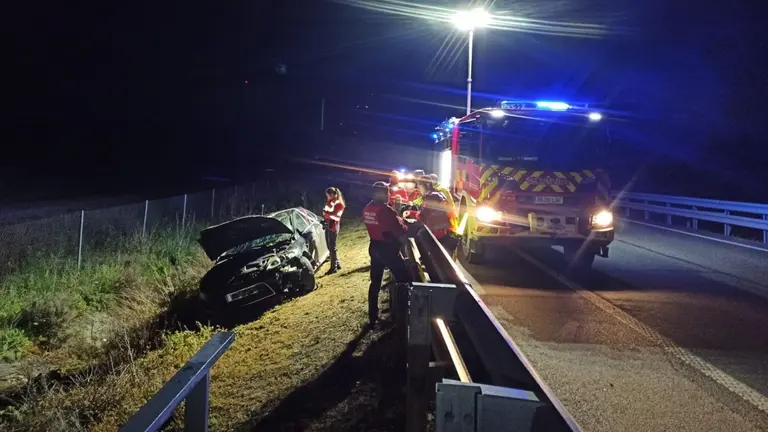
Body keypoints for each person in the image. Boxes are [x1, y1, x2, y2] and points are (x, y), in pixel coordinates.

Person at [362, 181, 411, 326]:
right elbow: (398, 230)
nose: (389, 195)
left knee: (375, 282)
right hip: (388, 248)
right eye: (387, 192)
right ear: (383, 194)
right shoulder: (386, 210)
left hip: (374, 247)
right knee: (403, 278)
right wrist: (404, 223)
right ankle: (401, 315)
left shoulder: (367, 208)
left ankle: (372, 316)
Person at [322, 187, 345, 274]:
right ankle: (337, 264)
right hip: (329, 225)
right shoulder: (330, 202)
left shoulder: (339, 204)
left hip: (333, 226)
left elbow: (336, 216)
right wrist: (325, 214)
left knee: (332, 247)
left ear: (332, 194)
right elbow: (327, 212)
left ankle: (333, 268)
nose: (327, 197)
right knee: (330, 246)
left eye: (327, 195)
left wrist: (326, 214)